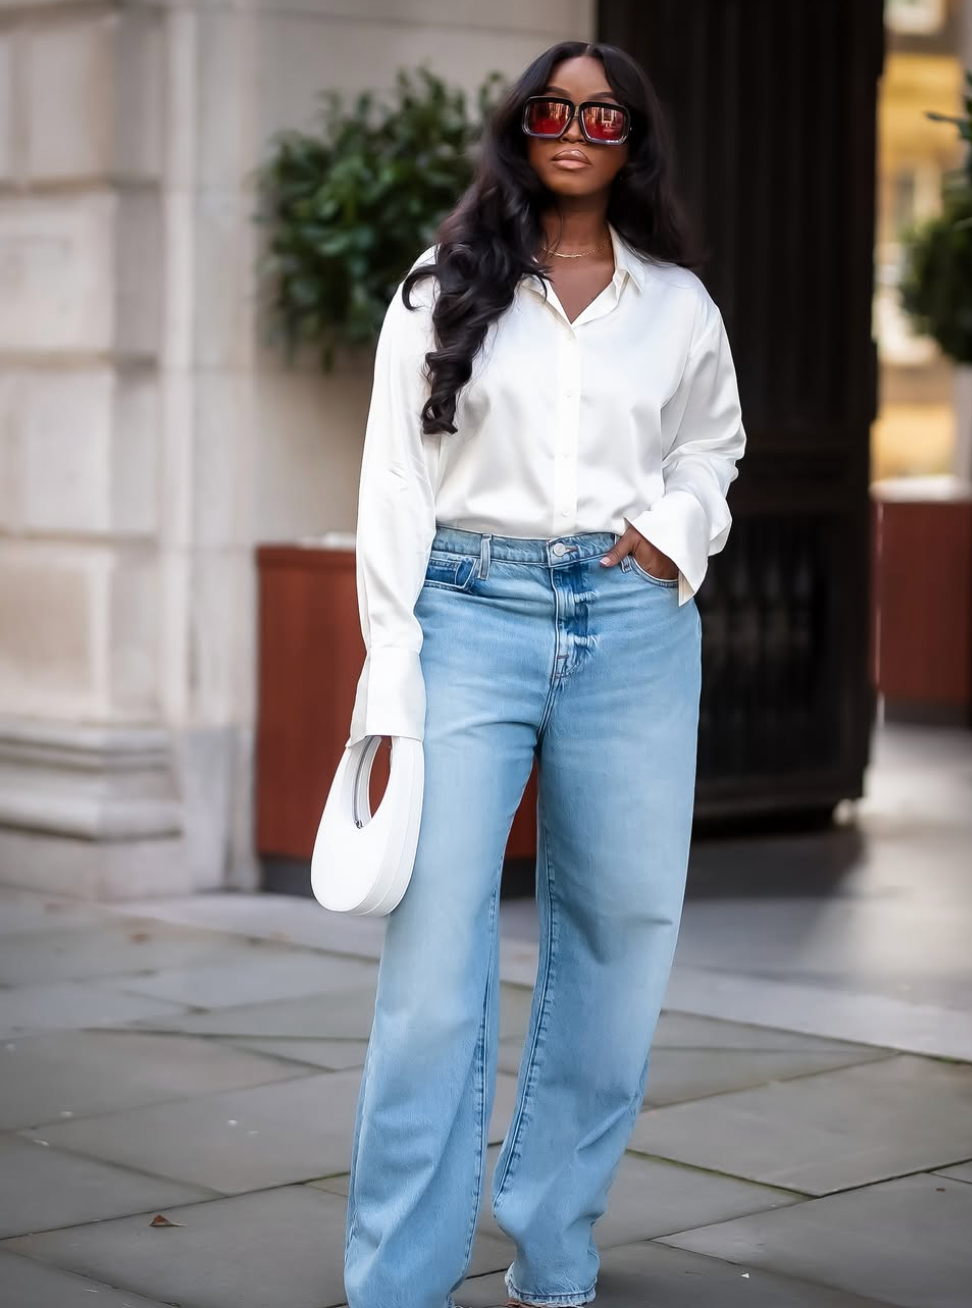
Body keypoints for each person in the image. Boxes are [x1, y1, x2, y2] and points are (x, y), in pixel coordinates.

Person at [342, 38, 746, 1308]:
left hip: (629, 626)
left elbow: (710, 449)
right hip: (467, 611)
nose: (575, 127)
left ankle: (554, 1241)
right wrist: (389, 675)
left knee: (623, 936)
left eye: (603, 114)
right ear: (520, 125)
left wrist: (670, 537)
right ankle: (400, 1274)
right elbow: (392, 493)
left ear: (632, 142)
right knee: (429, 961)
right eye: (552, 106)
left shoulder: (676, 305)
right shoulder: (440, 287)